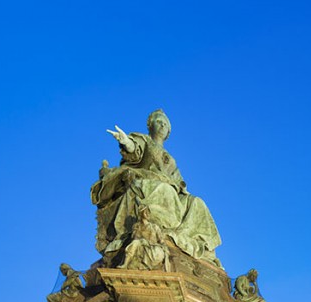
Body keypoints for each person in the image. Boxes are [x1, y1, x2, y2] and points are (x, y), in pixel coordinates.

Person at [91, 109, 222, 266]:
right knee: (164, 190)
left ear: (168, 132)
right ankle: (159, 230)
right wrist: (127, 142)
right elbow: (135, 150)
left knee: (197, 203)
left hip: (171, 190)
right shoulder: (145, 141)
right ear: (150, 125)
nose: (162, 125)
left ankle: (201, 247)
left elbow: (178, 180)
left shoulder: (171, 159)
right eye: (159, 121)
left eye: (165, 124)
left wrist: (180, 188)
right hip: (148, 183)